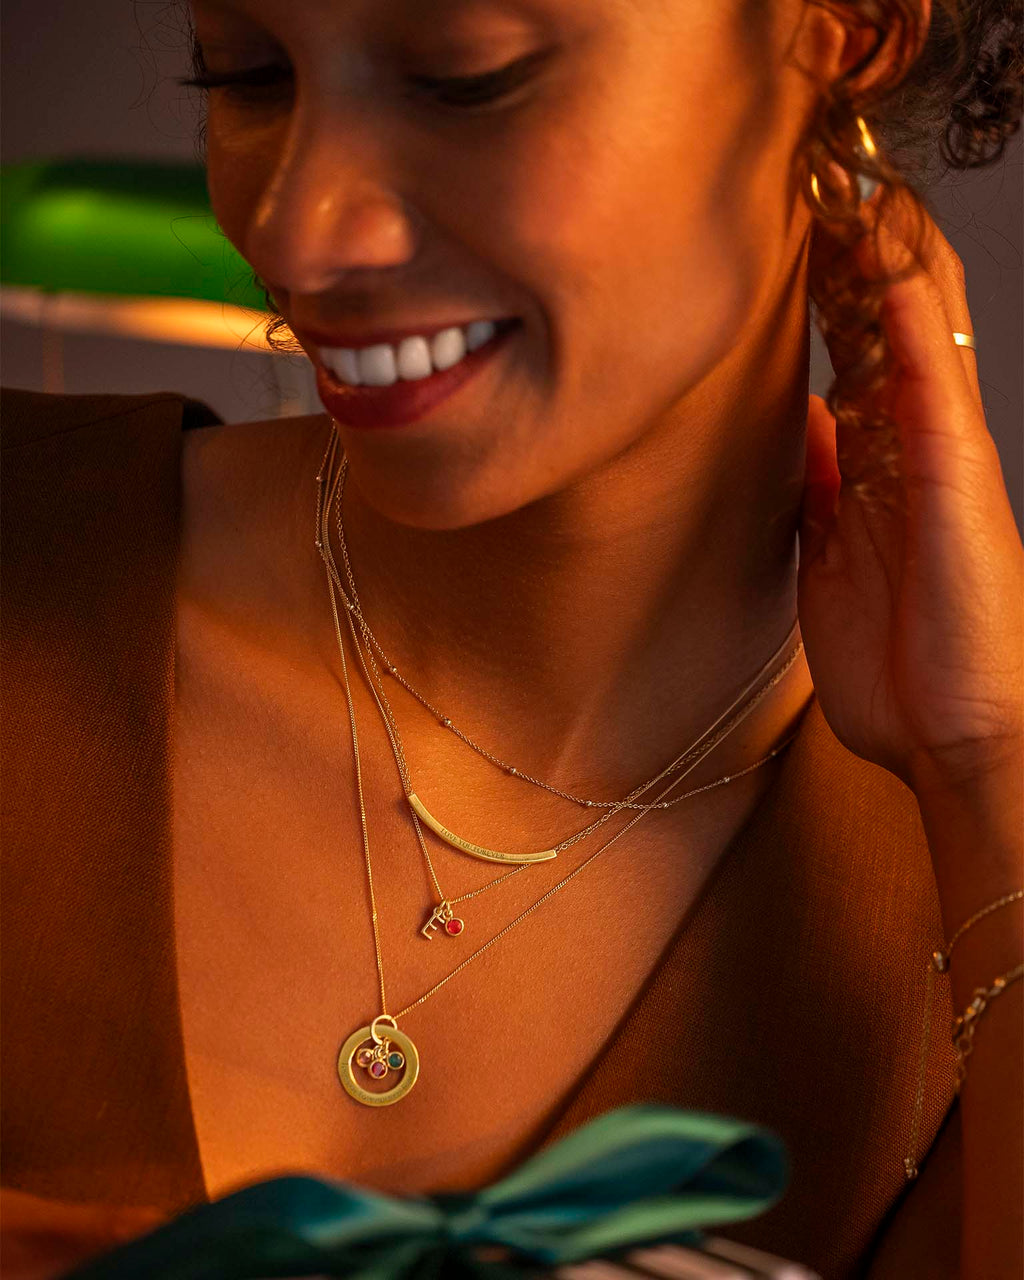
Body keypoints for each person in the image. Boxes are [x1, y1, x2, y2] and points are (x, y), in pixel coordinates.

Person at [2, 1, 1021, 1277]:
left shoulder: (969, 902)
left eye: (465, 78)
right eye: (249, 74)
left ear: (842, 33)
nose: (294, 231)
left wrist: (989, 771)